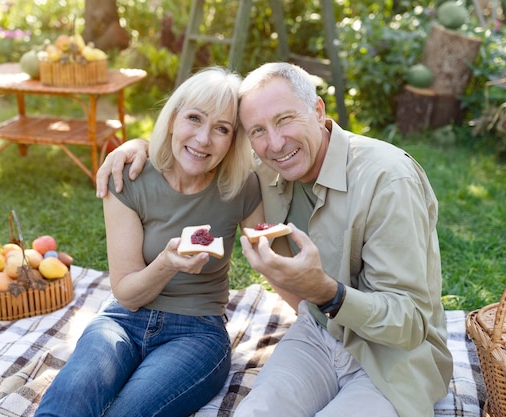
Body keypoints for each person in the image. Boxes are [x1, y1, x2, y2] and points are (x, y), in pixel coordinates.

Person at [96, 62, 453, 417]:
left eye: (284, 120)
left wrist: (328, 294)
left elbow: (411, 325)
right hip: (319, 333)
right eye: (258, 131)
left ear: (317, 110)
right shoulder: (264, 168)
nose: (275, 144)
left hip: (394, 356)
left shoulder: (388, 179)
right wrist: (137, 145)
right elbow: (198, 146)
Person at [35, 66, 264, 417]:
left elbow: (274, 253)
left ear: (233, 140)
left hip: (197, 333)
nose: (203, 139)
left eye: (222, 129)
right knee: (66, 405)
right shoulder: (130, 177)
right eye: (194, 118)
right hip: (122, 320)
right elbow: (126, 293)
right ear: (172, 119)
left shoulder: (241, 187)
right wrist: (168, 263)